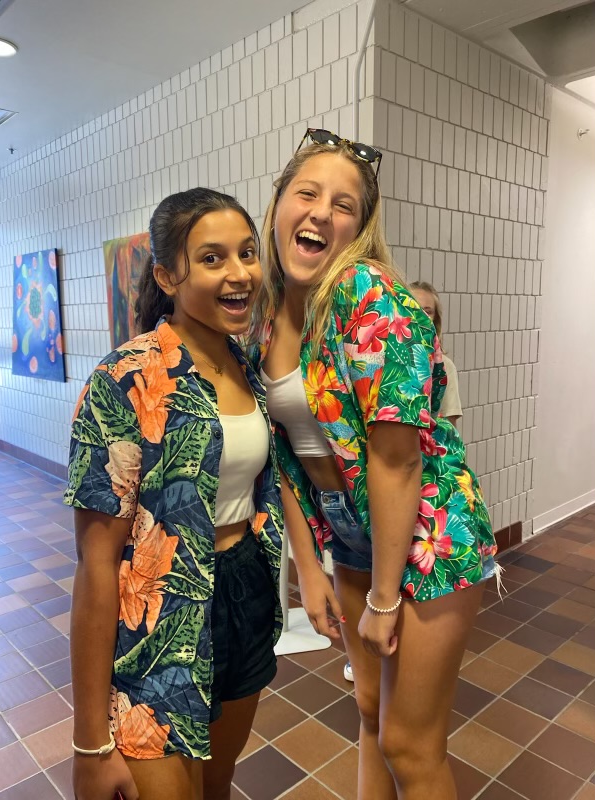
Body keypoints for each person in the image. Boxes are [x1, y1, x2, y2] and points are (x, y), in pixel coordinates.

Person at [248, 128, 498, 800]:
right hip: (350, 533)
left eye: (344, 205)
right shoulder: (268, 321)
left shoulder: (368, 294)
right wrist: (310, 568)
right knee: (366, 713)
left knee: (410, 746)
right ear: (279, 205)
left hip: (426, 528)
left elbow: (396, 466)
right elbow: (285, 460)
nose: (321, 211)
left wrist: (383, 600)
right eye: (307, 192)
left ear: (358, 229)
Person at [65, 188, 283, 800]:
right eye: (212, 258)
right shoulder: (124, 380)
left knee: (219, 783)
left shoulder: (247, 366)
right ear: (167, 274)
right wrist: (88, 744)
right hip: (156, 617)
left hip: (243, 592)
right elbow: (96, 563)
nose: (240, 273)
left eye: (246, 253)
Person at [342, 280, 465, 684]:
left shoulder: (437, 363)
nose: (416, 315)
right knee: (371, 697)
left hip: (423, 509)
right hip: (354, 518)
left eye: (427, 311)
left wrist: (382, 602)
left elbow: (433, 440)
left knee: (405, 729)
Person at [410, 281, 463, 427]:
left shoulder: (445, 367)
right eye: (413, 308)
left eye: (427, 311)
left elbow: (450, 429)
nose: (420, 316)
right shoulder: (390, 363)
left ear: (435, 320)